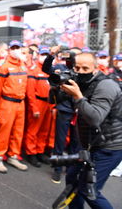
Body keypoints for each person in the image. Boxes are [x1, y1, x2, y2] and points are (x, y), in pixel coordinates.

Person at [60, 52, 122, 208]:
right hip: (89, 143)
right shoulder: (81, 81)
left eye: (85, 68)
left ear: (95, 68)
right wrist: (58, 89)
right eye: (77, 67)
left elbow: (95, 118)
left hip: (109, 146)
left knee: (89, 190)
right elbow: (54, 101)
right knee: (72, 179)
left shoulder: (106, 86)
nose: (80, 72)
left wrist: (78, 96)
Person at [43, 46, 81, 184]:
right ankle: (57, 169)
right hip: (64, 109)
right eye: (71, 56)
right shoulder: (60, 67)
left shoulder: (84, 71)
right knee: (59, 141)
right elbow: (46, 69)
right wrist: (51, 55)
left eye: (75, 56)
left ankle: (71, 168)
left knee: (76, 142)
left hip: (79, 110)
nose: (73, 59)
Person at [0, 40, 28, 173]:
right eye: (13, 48)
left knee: (18, 131)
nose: (16, 50)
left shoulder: (23, 66)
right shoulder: (4, 66)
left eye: (18, 47)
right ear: (9, 50)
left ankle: (13, 155)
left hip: (21, 102)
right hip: (7, 102)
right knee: (4, 130)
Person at [24, 46, 52, 167]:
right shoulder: (33, 71)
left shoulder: (50, 71)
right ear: (38, 56)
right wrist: (34, 108)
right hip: (38, 102)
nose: (44, 57)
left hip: (49, 103)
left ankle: (40, 151)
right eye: (43, 55)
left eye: (47, 55)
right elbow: (30, 93)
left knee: (44, 130)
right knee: (33, 130)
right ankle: (31, 153)